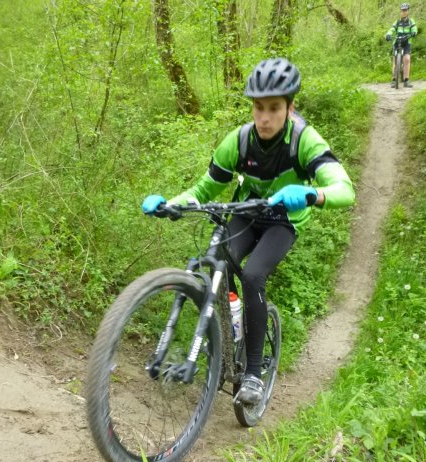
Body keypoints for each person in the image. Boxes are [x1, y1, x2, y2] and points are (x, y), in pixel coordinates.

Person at [142, 57, 355, 406]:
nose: (265, 117)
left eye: (275, 108)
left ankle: (254, 373)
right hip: (245, 213)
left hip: (284, 219)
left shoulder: (304, 141)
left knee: (254, 275)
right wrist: (172, 203)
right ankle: (230, 331)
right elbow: (204, 189)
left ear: (290, 106)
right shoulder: (239, 141)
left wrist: (311, 194)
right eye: (259, 108)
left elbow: (345, 189)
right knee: (216, 262)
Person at [386, 3, 418, 88]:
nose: (403, 12)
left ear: (408, 11)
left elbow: (414, 28)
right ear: (400, 11)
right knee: (395, 61)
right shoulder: (397, 21)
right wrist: (388, 34)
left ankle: (406, 80)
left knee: (407, 59)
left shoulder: (411, 21)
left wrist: (414, 32)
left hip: (407, 41)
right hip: (397, 41)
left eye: (405, 10)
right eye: (402, 10)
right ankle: (394, 80)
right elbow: (392, 29)